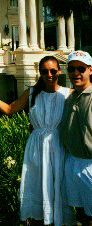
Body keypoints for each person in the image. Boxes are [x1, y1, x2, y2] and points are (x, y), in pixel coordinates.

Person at [0, 55, 74, 225]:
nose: (49, 75)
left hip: (59, 149)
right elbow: (9, 109)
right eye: (44, 71)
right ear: (40, 73)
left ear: (59, 71)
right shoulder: (32, 93)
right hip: (36, 149)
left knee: (59, 189)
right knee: (37, 187)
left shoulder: (68, 94)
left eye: (53, 71)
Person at [61, 50, 92, 226]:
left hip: (90, 163)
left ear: (90, 70)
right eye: (71, 69)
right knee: (80, 214)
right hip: (72, 162)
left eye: (81, 68)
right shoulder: (70, 97)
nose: (76, 73)